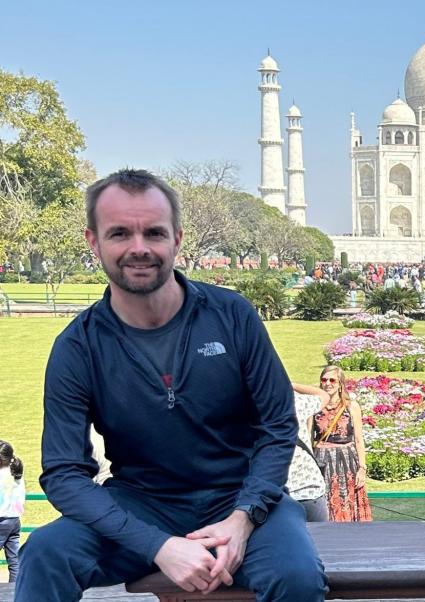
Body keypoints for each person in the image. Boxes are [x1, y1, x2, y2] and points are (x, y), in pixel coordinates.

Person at [16, 170, 325, 601]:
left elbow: (277, 428)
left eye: (154, 233)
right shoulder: (78, 346)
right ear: (94, 242)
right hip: (141, 504)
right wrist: (157, 546)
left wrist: (244, 518)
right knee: (45, 554)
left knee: (295, 577)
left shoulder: (232, 316)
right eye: (120, 233)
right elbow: (64, 473)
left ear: (176, 239)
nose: (139, 248)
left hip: (241, 498)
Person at [296, 366, 372, 522]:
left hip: (347, 460)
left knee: (347, 499)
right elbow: (309, 438)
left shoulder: (351, 406)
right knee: (326, 500)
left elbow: (358, 439)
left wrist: (362, 468)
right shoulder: (316, 407)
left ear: (340, 384)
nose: (328, 384)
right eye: (324, 380)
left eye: (332, 380)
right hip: (323, 460)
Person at [286, 391, 330, 522]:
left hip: (279, 494)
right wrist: (293, 385)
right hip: (310, 490)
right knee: (320, 540)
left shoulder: (253, 408)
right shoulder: (296, 402)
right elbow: (324, 396)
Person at [0, 441, 25, 583]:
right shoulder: (15, 469)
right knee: (14, 560)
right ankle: (14, 591)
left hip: (2, 519)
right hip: (14, 519)